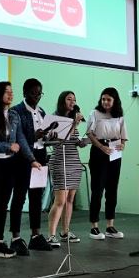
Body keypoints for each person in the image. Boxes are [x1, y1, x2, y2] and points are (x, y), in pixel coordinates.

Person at [0, 81, 41, 264]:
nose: (11, 95)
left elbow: (20, 139)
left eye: (12, 92)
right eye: (7, 92)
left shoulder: (13, 115)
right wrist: (7, 146)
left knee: (3, 204)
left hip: (9, 163)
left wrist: (31, 159)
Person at [8, 78, 53, 255]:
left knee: (36, 197)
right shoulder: (16, 111)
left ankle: (36, 235)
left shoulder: (42, 112)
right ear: (25, 93)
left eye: (39, 93)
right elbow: (16, 138)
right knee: (19, 197)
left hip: (40, 155)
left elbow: (43, 137)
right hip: (22, 158)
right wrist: (35, 135)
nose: (37, 97)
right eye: (33, 93)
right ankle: (16, 238)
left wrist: (49, 136)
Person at [86, 87, 128, 240]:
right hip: (99, 151)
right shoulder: (94, 113)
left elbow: (123, 135)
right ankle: (94, 227)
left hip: (114, 152)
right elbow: (90, 134)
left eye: (108, 99)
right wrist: (101, 146)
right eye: (103, 99)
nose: (105, 102)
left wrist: (123, 144)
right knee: (97, 190)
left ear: (115, 101)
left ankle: (110, 226)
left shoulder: (119, 115)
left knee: (112, 189)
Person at [46, 91, 86, 247]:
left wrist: (82, 141)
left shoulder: (73, 117)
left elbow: (73, 140)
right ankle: (51, 235)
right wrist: (74, 124)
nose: (72, 102)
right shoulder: (55, 119)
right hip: (60, 161)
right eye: (69, 99)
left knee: (70, 200)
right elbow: (59, 141)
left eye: (74, 99)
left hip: (74, 162)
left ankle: (65, 232)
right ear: (62, 101)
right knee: (60, 200)